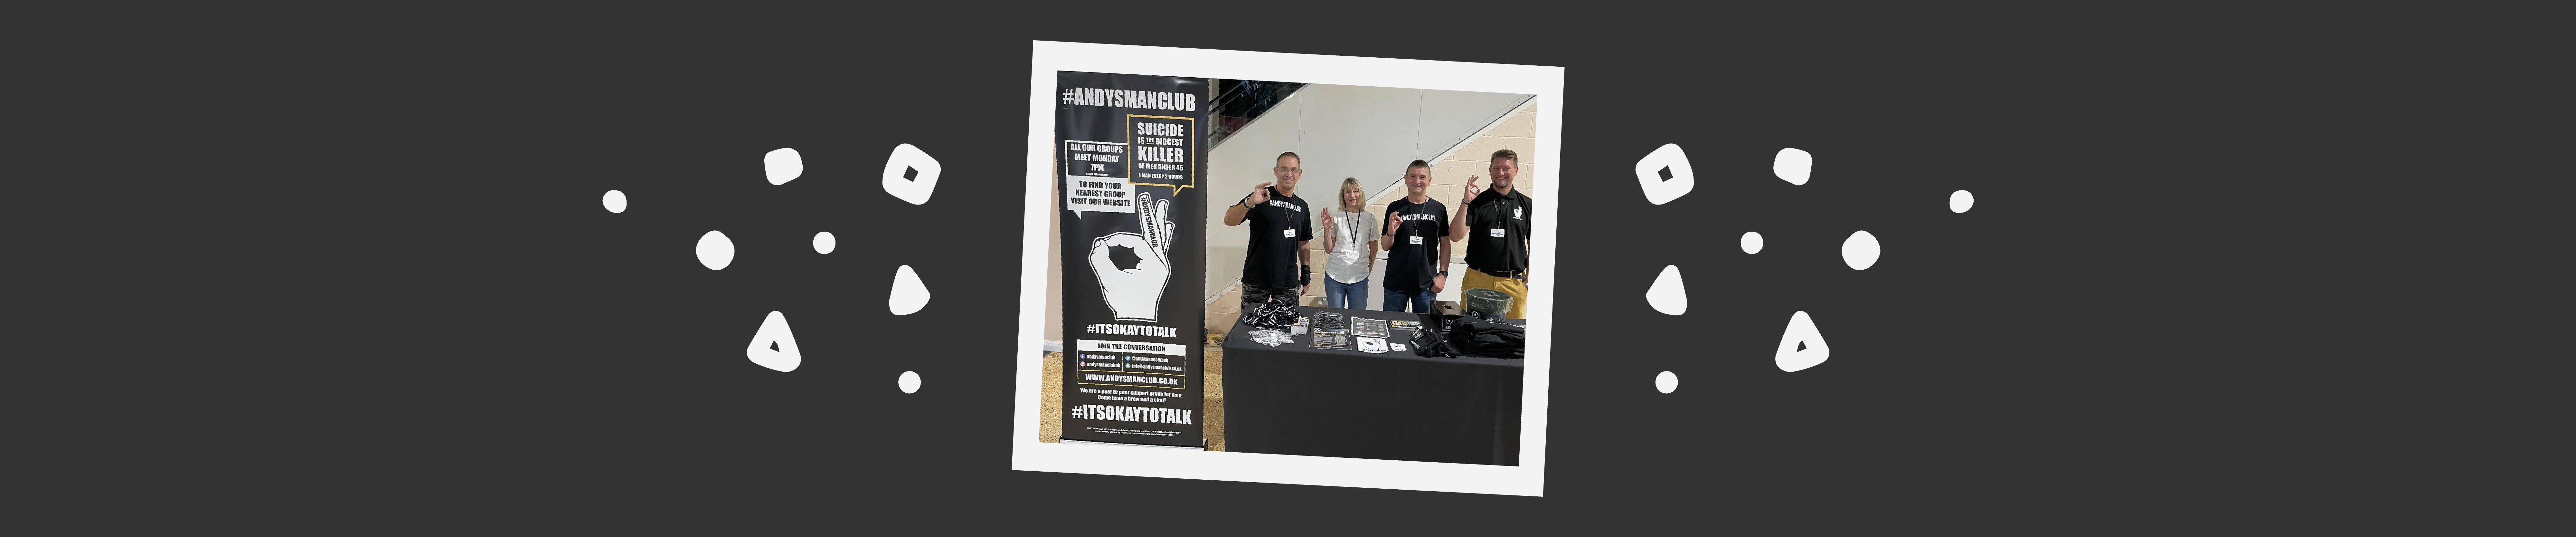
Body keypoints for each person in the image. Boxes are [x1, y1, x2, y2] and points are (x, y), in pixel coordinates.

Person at [1222, 151, 1312, 314]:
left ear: (1300, 174)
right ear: (1276, 171)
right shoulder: (1262, 197)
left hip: (1288, 279)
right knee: (1250, 326)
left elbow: (1304, 242)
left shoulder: (1303, 207)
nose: (1289, 174)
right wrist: (1249, 203)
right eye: (1284, 169)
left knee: (1288, 326)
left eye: (1294, 170)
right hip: (1257, 277)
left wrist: (1306, 272)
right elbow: (1229, 220)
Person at [1449, 149, 1532, 319]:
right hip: (1478, 280)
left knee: (1509, 337)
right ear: (1490, 170)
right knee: (1471, 333)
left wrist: (1527, 280)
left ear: (1516, 171)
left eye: (1506, 169)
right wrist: (1466, 202)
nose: (1501, 173)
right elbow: (1456, 236)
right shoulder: (1477, 202)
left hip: (1513, 283)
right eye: (1496, 169)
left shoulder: (1528, 205)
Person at [1380, 160, 1449, 313]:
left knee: (1426, 331)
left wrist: (1443, 275)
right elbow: (1385, 246)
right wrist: (1391, 232)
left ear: (1429, 181)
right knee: (1391, 328)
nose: (1417, 181)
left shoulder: (1439, 209)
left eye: (1422, 177)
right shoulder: (1395, 208)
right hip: (1396, 283)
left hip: (1427, 284)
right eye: (1413, 176)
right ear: (1406, 179)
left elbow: (1445, 244)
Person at [1317, 177, 1377, 310]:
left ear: (1361, 194)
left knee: (1358, 318)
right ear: (1343, 196)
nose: (1352, 196)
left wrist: (1368, 269)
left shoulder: (1369, 218)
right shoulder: (1335, 217)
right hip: (1335, 277)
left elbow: (1374, 249)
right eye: (1348, 192)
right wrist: (1327, 230)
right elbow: (1329, 249)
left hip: (1360, 278)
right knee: (1336, 319)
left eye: (1356, 191)